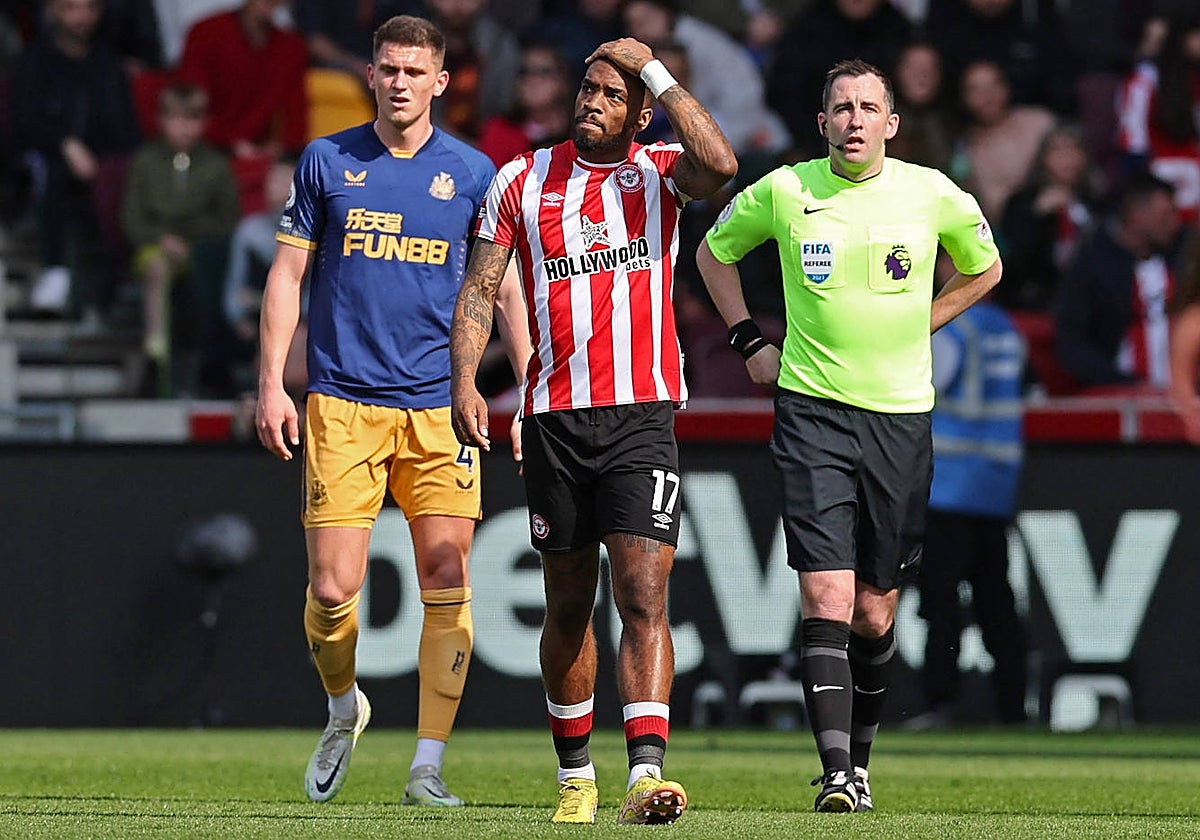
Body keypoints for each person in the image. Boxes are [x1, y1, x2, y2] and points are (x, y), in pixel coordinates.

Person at [696, 58, 1002, 812]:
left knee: (874, 610)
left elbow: (986, 267)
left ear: (890, 124)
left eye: (869, 107)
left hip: (899, 418)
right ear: (823, 122)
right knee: (825, 594)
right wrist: (748, 342)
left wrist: (923, 319)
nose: (855, 119)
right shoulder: (787, 189)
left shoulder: (931, 193)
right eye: (842, 107)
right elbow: (712, 252)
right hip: (811, 412)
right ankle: (835, 774)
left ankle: (860, 760)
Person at [448, 36, 737, 825]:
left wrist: (655, 69)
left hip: (642, 413)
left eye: (612, 93)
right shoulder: (520, 178)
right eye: (587, 87)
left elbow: (725, 164)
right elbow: (479, 288)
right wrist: (465, 380)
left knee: (643, 592)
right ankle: (576, 772)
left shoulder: (661, 173)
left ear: (642, 113)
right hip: (552, 417)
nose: (591, 101)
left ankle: (646, 773)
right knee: (568, 601)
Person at [254, 14, 530, 807]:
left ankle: (427, 767)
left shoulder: (478, 174)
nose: (401, 80)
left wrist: (534, 380)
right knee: (335, 591)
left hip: (442, 409)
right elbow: (286, 279)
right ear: (370, 75)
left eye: (416, 70)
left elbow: (503, 284)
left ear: (442, 81)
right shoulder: (327, 161)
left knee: (447, 574)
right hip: (341, 403)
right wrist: (272, 383)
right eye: (388, 68)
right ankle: (344, 708)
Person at [914, 286, 1029, 728]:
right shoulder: (1004, 326)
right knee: (995, 600)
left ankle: (941, 702)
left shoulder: (950, 326)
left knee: (940, 601)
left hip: (948, 482)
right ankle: (1013, 707)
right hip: (994, 483)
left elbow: (925, 380)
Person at [11, 0, 141, 318]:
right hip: (43, 160)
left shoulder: (109, 66)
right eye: (71, 8)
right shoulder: (33, 63)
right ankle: (55, 271)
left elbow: (126, 131)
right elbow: (23, 123)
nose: (81, 17)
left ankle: (117, 286)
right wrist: (65, 144)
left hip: (102, 165)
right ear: (54, 10)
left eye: (89, 8)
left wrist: (103, 161)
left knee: (125, 175)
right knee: (51, 171)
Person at [119, 81, 241, 396]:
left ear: (203, 122)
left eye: (192, 120)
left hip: (200, 252)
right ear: (162, 121)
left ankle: (207, 363)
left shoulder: (216, 165)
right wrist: (162, 239)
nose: (184, 128)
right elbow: (132, 218)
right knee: (158, 267)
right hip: (153, 248)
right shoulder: (145, 161)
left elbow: (227, 220)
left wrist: (192, 241)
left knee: (206, 273)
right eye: (176, 119)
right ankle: (156, 352)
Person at [1053, 169, 1182, 391]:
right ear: (1136, 215)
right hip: (1120, 397)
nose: (1175, 223)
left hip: (1183, 396)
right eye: (1165, 215)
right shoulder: (1092, 267)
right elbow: (1072, 344)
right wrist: (1123, 383)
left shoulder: (1182, 261)